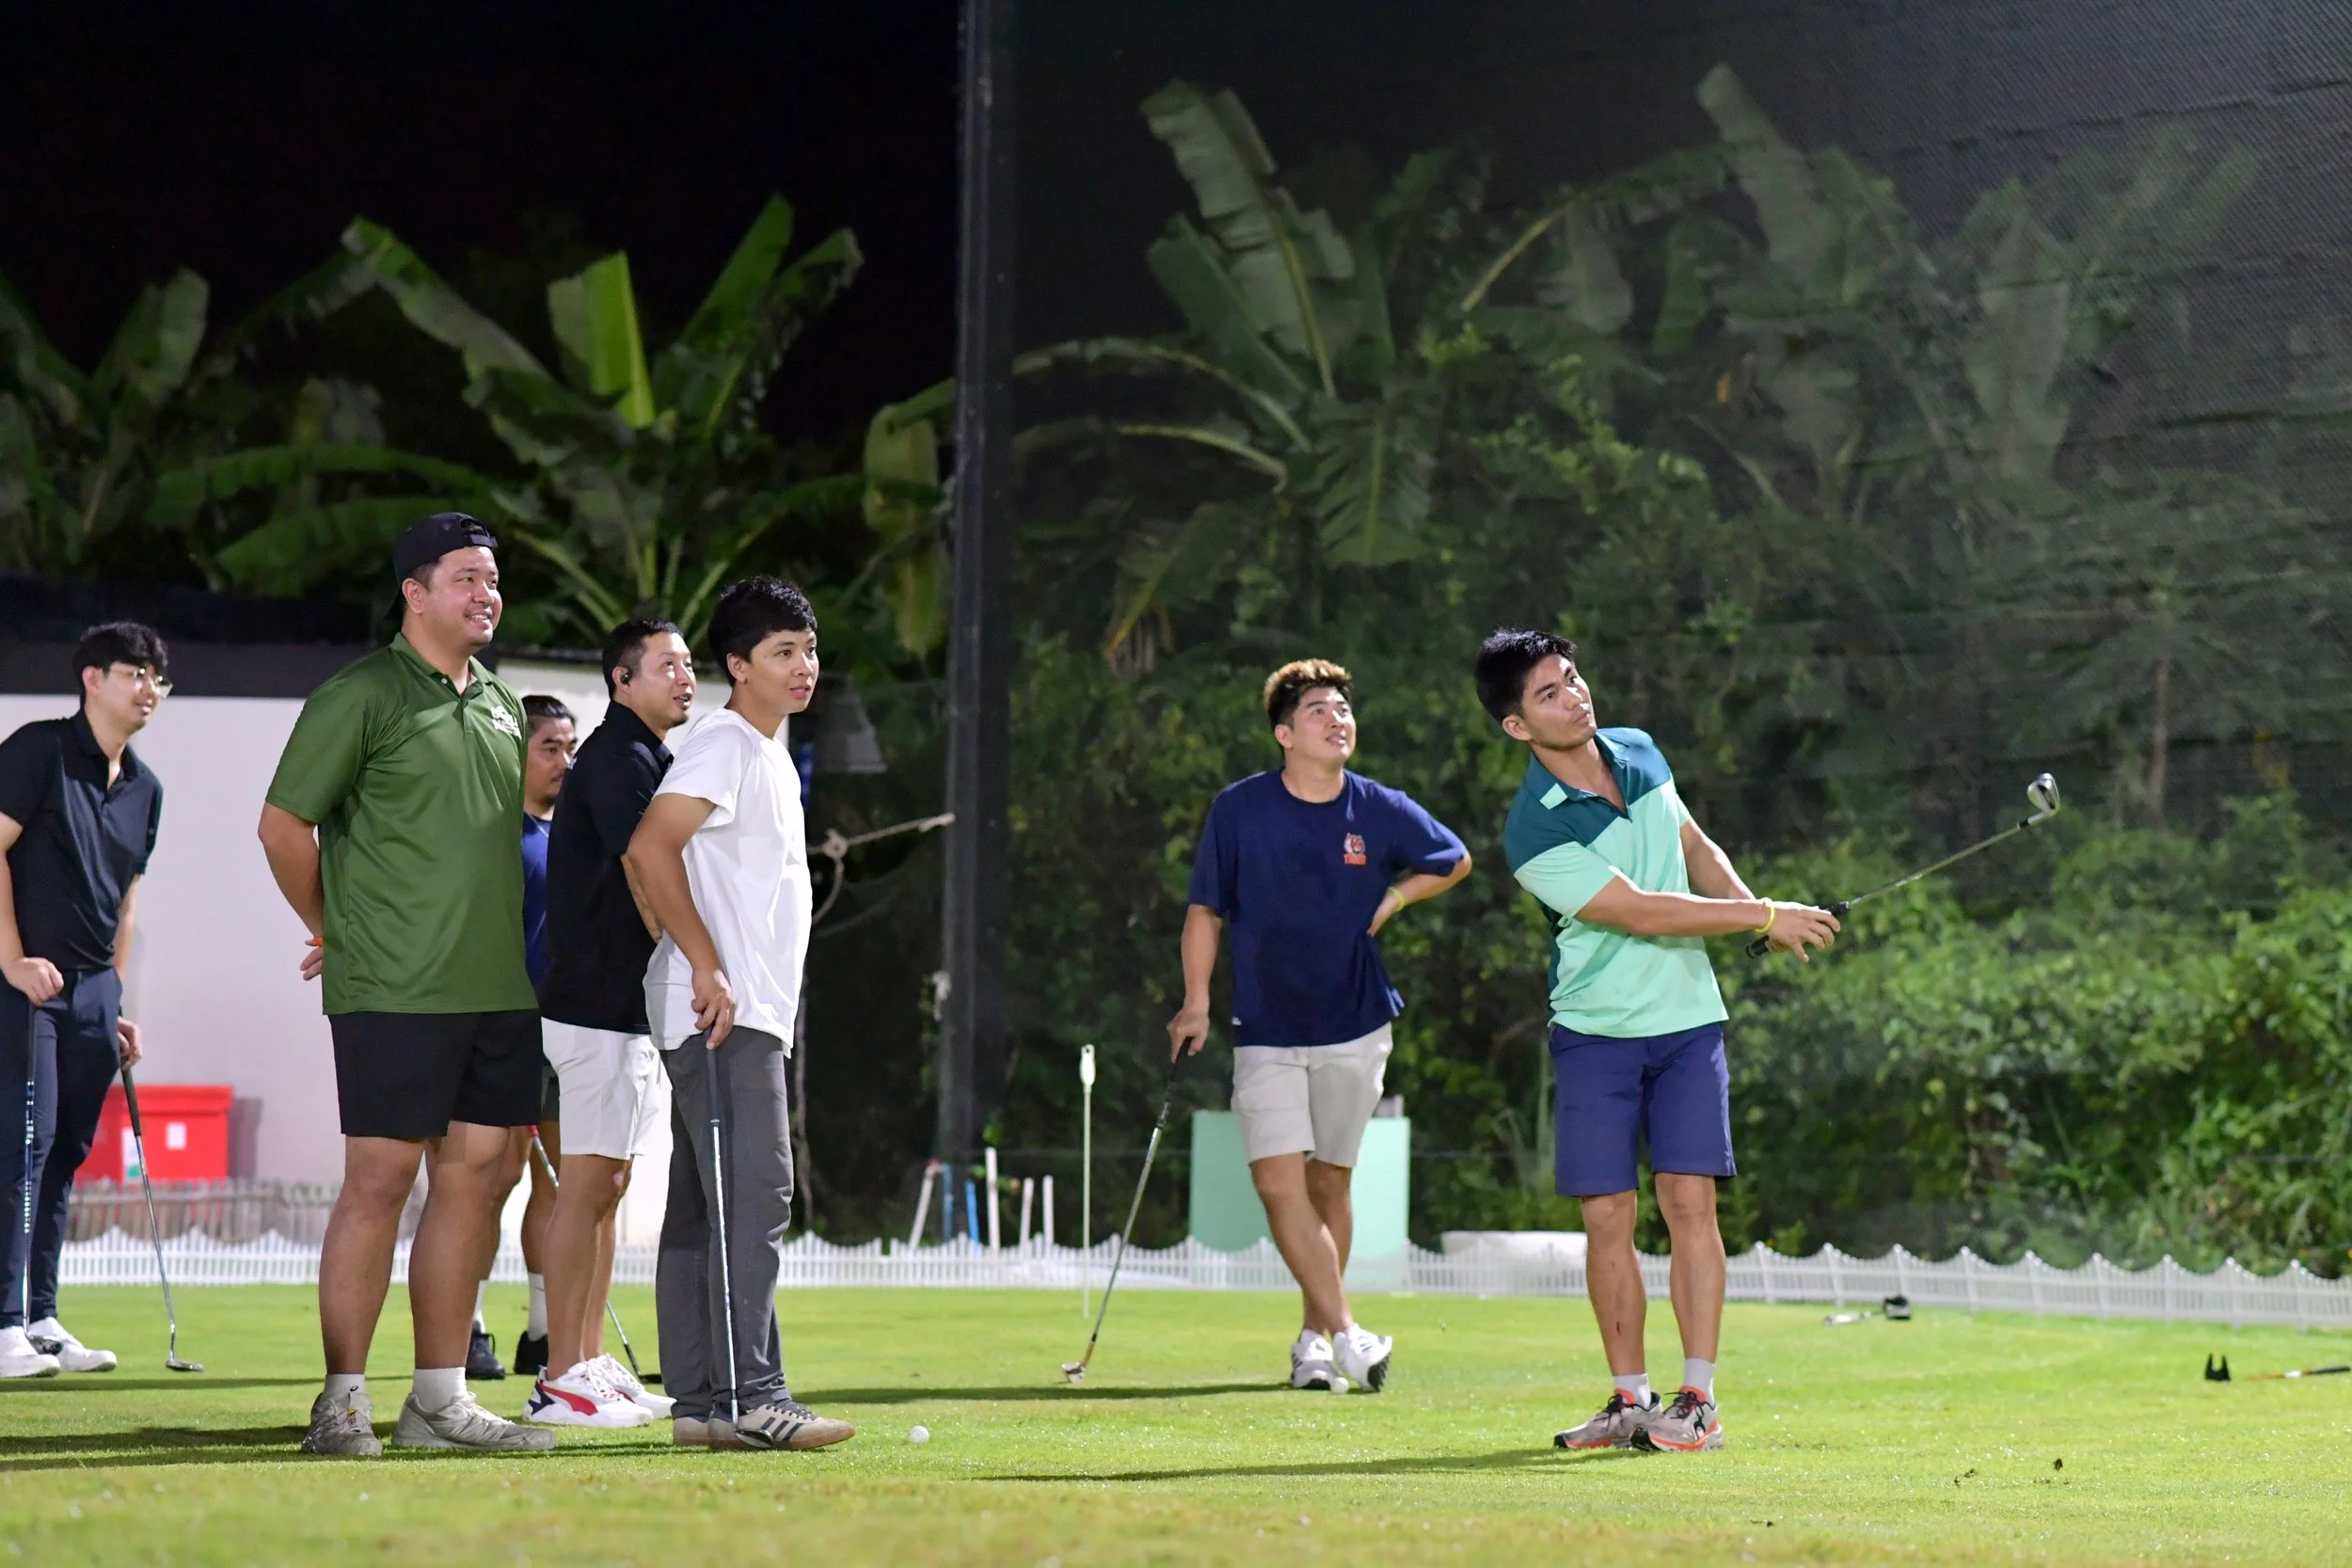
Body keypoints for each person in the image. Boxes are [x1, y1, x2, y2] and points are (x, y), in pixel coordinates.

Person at [1472, 629, 1838, 1455]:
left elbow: (1692, 846)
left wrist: (1756, 914)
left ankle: (1698, 1400)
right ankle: (1630, 1400)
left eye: (1573, 678)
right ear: (1517, 727)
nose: (1575, 696)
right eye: (1549, 693)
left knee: (1689, 1203)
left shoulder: (1638, 750)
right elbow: (1640, 908)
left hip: (1685, 1024)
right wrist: (1764, 914)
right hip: (1595, 1032)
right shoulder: (1532, 830)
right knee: (1607, 1213)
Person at [258, 512, 557, 1457]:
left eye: (492, 579)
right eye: (466, 576)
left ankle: (438, 1402)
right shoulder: (360, 694)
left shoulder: (506, 704)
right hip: (393, 988)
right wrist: (333, 926)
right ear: (414, 592)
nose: (486, 593)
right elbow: (281, 827)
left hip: (498, 988)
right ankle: (341, 1399)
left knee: (479, 1183)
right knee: (379, 1180)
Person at [1168, 659, 1470, 1394]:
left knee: (1329, 1182)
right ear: (1284, 734)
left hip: (1356, 1025)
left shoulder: (1378, 806)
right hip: (1265, 1027)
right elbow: (1205, 910)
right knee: (1279, 1185)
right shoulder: (1238, 810)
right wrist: (1197, 1000)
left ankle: (1314, 1340)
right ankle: (1352, 1334)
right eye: (1319, 712)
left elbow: (1454, 858)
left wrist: (1394, 901)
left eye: (1343, 709)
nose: (1338, 720)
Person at [624, 578, 853, 1451]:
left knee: (702, 1207)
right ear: (737, 665)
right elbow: (651, 845)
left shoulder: (761, 752)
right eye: (783, 652)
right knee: (756, 1194)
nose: (805, 667)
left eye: (810, 648)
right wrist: (707, 964)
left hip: (728, 1008)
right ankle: (755, 1397)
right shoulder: (724, 739)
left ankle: (703, 1407)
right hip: (723, 1011)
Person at [523, 620, 696, 1428]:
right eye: (667, 665)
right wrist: (695, 956)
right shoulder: (620, 758)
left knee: (609, 1185)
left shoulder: (646, 755)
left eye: (689, 665)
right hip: (593, 1005)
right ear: (623, 681)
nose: (684, 677)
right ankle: (561, 1377)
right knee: (588, 1186)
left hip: (617, 1007)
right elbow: (642, 866)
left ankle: (588, 1362)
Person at [0, 623, 169, 1379]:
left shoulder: (147, 788)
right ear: (92, 679)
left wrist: (115, 993)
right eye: (137, 672)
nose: (150, 689)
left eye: (159, 678)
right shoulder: (37, 750)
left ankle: (40, 1316)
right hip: (25, 981)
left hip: (95, 993)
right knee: (21, 1150)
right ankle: (3, 1322)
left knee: (66, 1151)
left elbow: (127, 901)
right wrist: (10, 959)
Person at [467, 694, 576, 1383]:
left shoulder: (563, 835)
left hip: (562, 1029)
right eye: (549, 748)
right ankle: (470, 1325)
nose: (564, 761)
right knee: (487, 1181)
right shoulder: (498, 835)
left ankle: (543, 1333)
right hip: (504, 1028)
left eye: (571, 748)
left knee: (559, 1183)